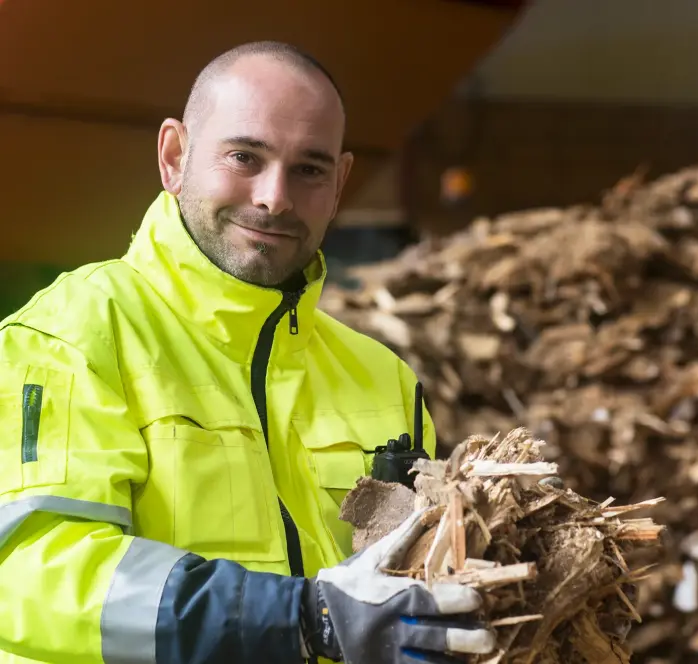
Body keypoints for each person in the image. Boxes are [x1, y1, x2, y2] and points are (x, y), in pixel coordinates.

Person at [0, 41, 495, 664]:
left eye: (309, 170)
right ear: (174, 157)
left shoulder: (382, 377)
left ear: (339, 184)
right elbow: (30, 575)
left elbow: (408, 596)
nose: (274, 197)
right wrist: (302, 618)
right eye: (244, 157)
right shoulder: (70, 336)